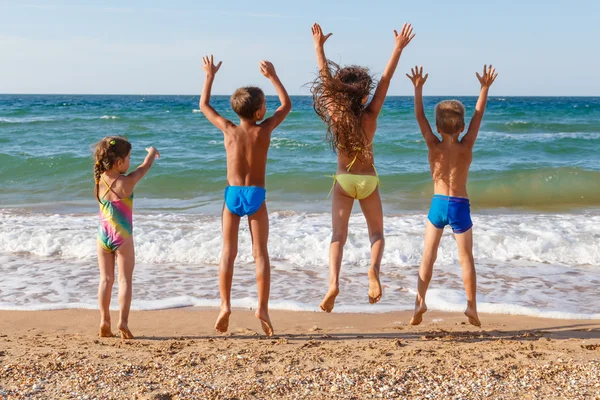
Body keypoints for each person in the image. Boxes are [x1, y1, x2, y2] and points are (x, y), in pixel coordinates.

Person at [310, 22, 415, 312]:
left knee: (338, 237)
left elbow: (325, 79)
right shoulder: (371, 115)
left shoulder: (335, 115)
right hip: (369, 181)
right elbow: (386, 80)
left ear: (338, 94)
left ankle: (333, 282)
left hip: (344, 182)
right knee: (377, 235)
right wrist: (398, 48)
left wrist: (319, 47)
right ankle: (374, 271)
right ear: (364, 95)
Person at [199, 55, 291, 336]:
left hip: (233, 195)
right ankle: (262, 308)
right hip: (256, 195)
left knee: (228, 252)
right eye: (264, 105)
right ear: (261, 112)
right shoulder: (264, 131)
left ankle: (225, 305)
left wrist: (210, 76)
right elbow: (287, 105)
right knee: (260, 252)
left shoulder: (228, 129)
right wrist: (273, 77)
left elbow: (204, 105)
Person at [406, 64, 498, 326]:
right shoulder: (466, 145)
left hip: (437, 204)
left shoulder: (432, 144)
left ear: (437, 126)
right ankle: (471, 307)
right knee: (466, 258)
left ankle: (419, 301)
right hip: (460, 206)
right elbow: (479, 116)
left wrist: (418, 89)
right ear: (462, 127)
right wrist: (484, 88)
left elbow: (419, 117)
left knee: (428, 255)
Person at [93, 136, 159, 338]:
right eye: (129, 157)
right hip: (123, 237)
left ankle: (104, 320)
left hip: (103, 236)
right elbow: (144, 167)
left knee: (105, 279)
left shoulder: (99, 179)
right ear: (119, 162)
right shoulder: (127, 182)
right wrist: (151, 153)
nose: (130, 161)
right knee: (125, 280)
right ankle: (123, 322)